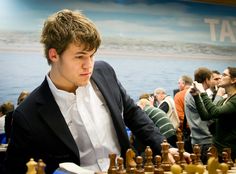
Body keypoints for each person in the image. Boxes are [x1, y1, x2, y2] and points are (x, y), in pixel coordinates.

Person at [5, 9, 187, 174]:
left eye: (92, 55)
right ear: (54, 55)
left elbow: (132, 113)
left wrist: (162, 145)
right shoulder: (26, 115)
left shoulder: (105, 72)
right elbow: (15, 170)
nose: (89, 65)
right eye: (79, 56)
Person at [190, 67, 236, 161]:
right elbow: (206, 116)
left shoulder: (235, 100)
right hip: (217, 149)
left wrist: (203, 92)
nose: (220, 77)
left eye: (224, 75)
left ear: (233, 80)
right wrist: (196, 96)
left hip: (229, 151)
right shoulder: (224, 100)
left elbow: (215, 112)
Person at [184, 67, 213, 164]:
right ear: (206, 80)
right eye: (212, 78)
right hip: (203, 140)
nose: (213, 81)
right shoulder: (196, 93)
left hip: (198, 138)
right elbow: (210, 116)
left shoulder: (192, 91)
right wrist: (219, 97)